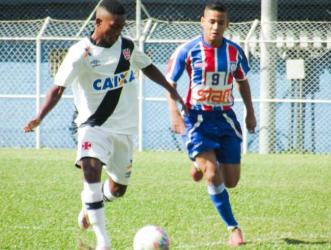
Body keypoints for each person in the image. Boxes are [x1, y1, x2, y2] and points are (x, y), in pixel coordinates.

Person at [24, 0, 186, 249]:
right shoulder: (81, 53)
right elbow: (57, 89)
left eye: (121, 27)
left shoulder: (127, 48)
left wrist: (171, 90)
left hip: (124, 129)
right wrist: (40, 116)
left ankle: (91, 202)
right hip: (93, 124)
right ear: (98, 22)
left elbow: (148, 67)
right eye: (113, 26)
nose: (117, 32)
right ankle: (103, 241)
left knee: (118, 189)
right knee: (90, 169)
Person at [166, 1, 256, 246]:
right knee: (213, 173)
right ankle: (233, 228)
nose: (215, 26)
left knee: (232, 182)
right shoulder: (186, 51)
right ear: (202, 21)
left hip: (225, 119)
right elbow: (170, 84)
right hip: (197, 120)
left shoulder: (235, 52)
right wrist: (174, 114)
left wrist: (250, 112)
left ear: (227, 24)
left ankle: (199, 165)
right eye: (211, 21)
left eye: (221, 22)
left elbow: (243, 82)